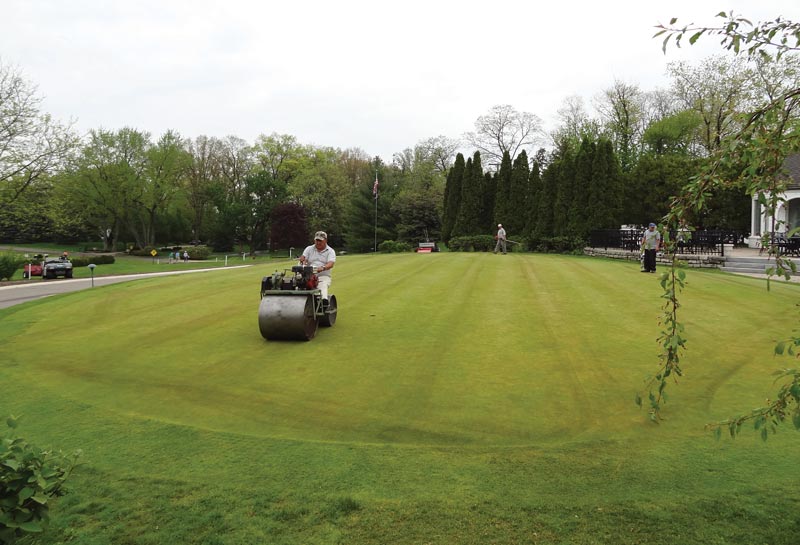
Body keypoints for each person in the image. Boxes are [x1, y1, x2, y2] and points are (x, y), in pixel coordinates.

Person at [299, 231, 336, 301]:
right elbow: (303, 258)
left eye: (320, 241)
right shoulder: (309, 249)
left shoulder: (330, 251)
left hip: (323, 276)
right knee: (297, 283)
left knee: (323, 285)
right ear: (314, 240)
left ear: (325, 240)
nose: (318, 243)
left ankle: (323, 301)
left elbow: (331, 264)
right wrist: (303, 261)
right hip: (308, 275)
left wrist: (322, 268)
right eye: (317, 240)